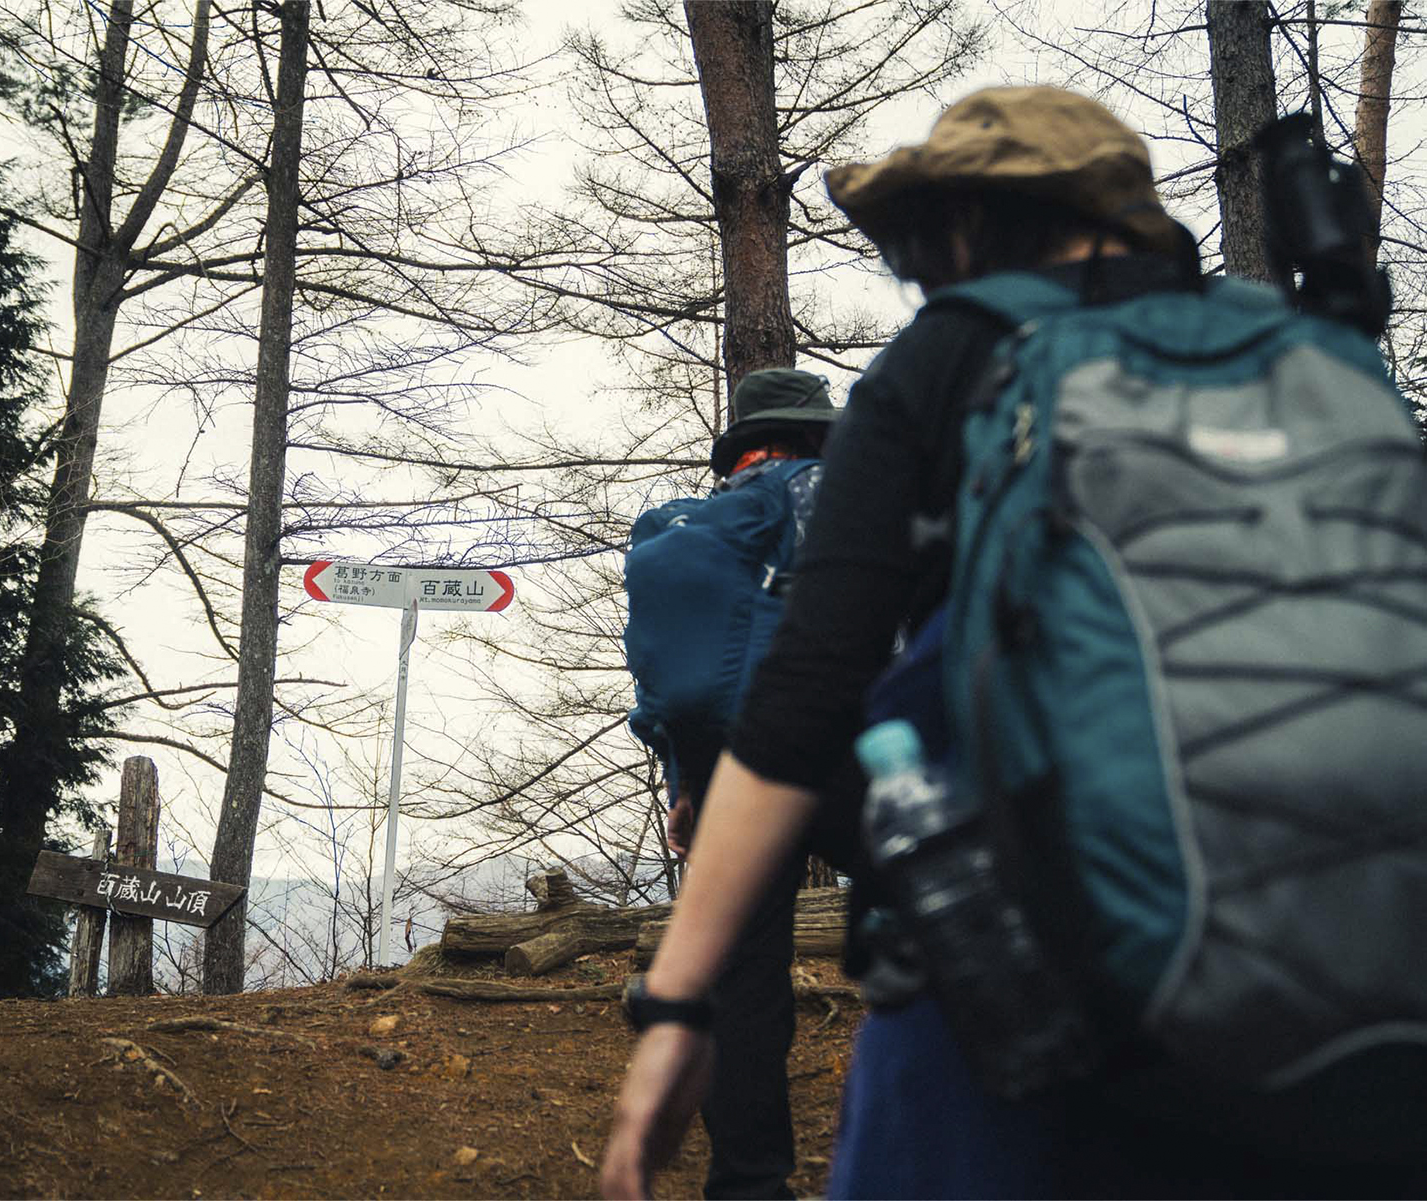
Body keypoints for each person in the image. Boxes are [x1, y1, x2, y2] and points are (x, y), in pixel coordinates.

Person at [602, 85, 1427, 1200]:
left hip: (1023, 990)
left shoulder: (952, 353)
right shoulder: (1302, 353)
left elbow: (804, 690)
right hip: (1362, 970)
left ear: (969, 222)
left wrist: (679, 1000)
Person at [624, 368, 843, 1199]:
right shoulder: (824, 490)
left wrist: (685, 783)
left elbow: (667, 679)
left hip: (726, 768)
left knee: (743, 977)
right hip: (840, 739)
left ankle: (748, 1181)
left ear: (741, 448)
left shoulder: (697, 529)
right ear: (813, 433)